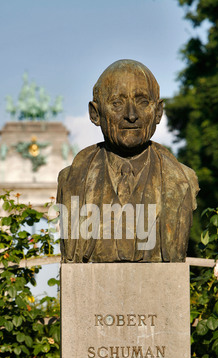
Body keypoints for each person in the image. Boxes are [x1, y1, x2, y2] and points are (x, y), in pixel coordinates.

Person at [57, 59, 199, 263]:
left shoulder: (183, 180)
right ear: (95, 114)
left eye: (142, 102)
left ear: (158, 112)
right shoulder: (70, 181)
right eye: (117, 103)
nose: (131, 115)